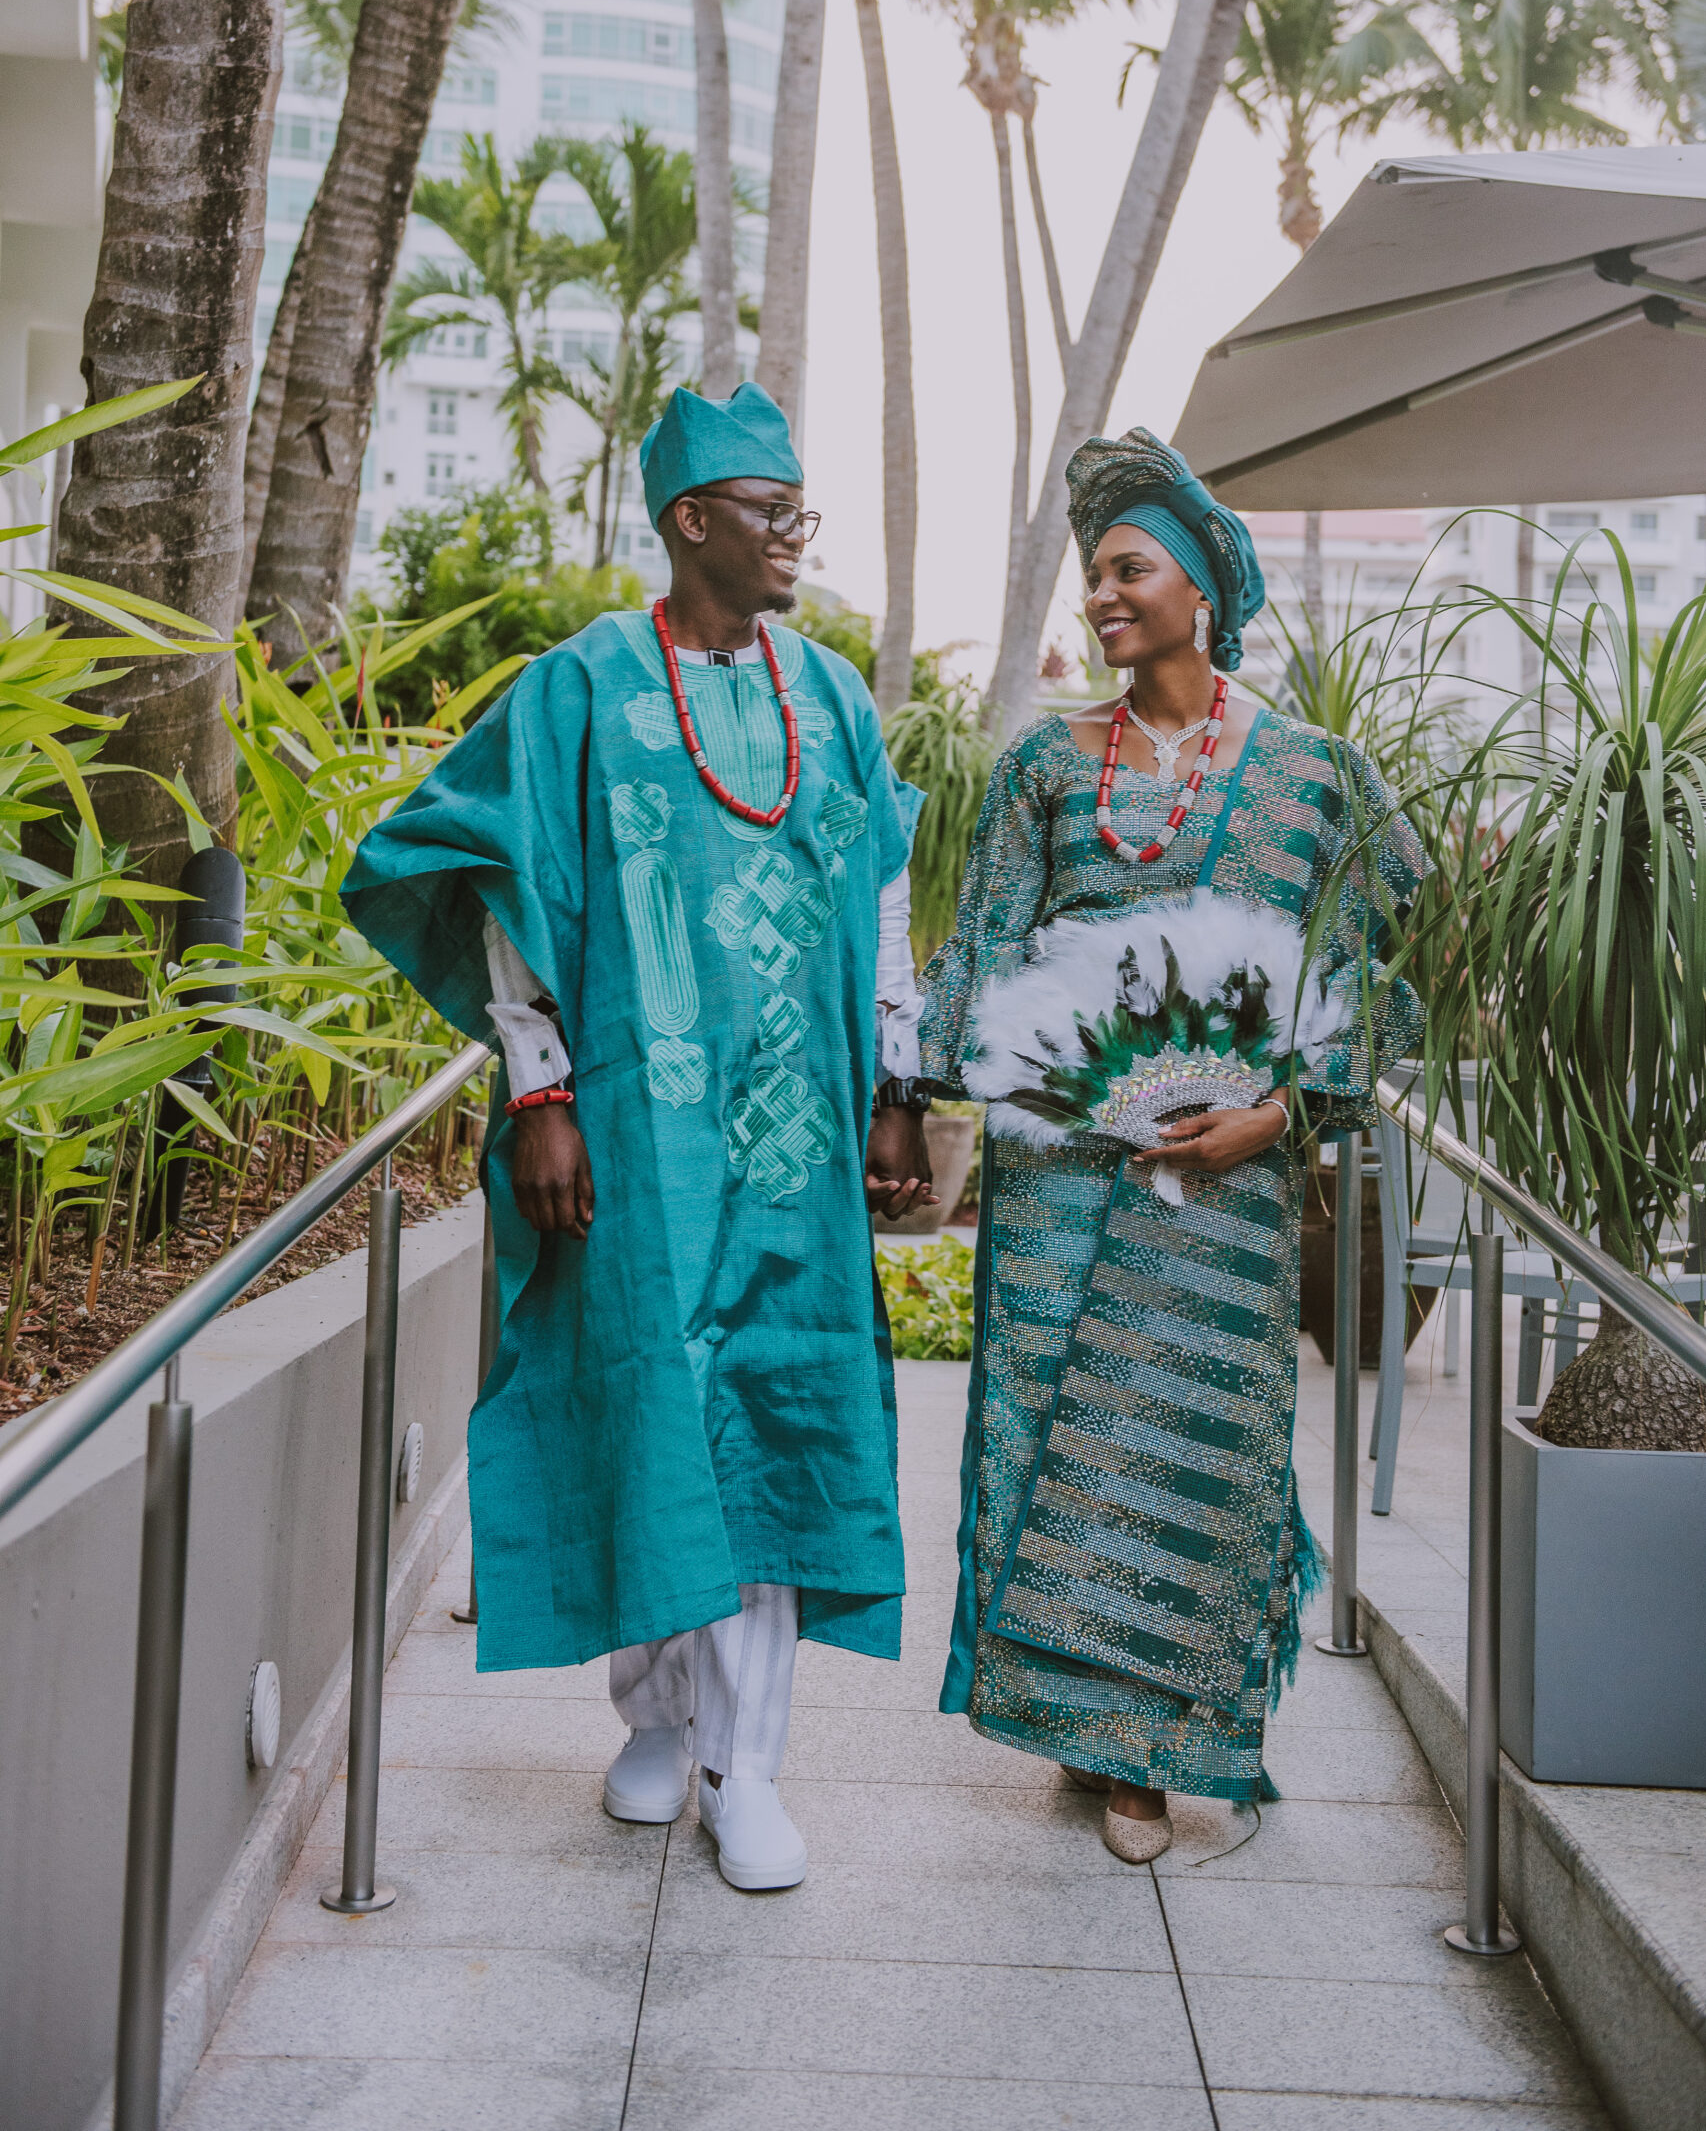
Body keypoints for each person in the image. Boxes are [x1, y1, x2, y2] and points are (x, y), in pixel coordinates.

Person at [342, 382, 936, 1893]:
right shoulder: (581, 687)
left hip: (797, 1132)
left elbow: (877, 898)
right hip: (633, 1125)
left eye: (801, 510)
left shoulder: (834, 697)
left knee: (773, 1417)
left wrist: (897, 1086)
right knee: (647, 1407)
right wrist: (539, 1089)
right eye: (769, 512)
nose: (796, 536)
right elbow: (495, 881)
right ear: (691, 522)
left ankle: (747, 1766)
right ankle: (655, 1716)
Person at [920, 425, 1424, 1863]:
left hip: (1229, 1190)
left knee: (1178, 1450)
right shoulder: (1040, 765)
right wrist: (927, 1094)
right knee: (1045, 1444)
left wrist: (1277, 1111)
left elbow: (1388, 974)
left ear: (1201, 587)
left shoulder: (1320, 775)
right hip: (1062, 1184)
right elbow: (980, 959)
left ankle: (1153, 1748)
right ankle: (1092, 1737)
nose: (1101, 595)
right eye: (1092, 576)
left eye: (1128, 568)